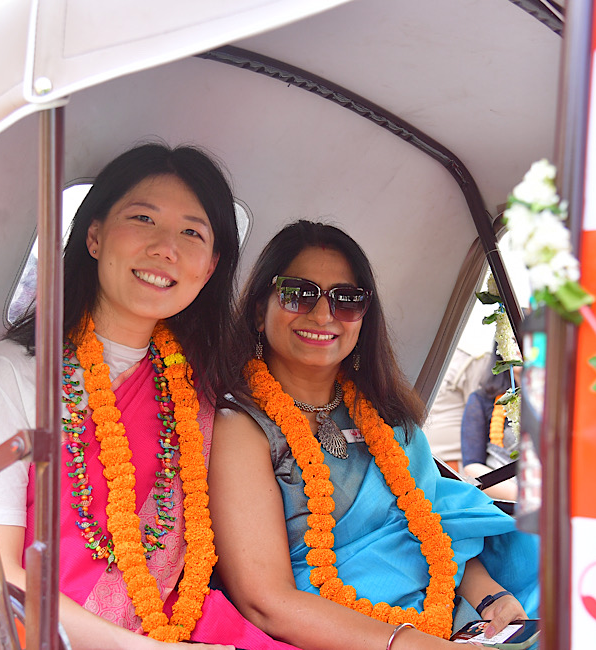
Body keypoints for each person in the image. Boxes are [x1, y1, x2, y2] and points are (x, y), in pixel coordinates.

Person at [0, 144, 293, 650]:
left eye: (192, 232)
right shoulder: (10, 372)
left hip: (175, 626)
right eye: (143, 219)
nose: (166, 248)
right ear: (94, 237)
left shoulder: (204, 395)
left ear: (209, 267)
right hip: (28, 628)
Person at [209, 221, 539, 650]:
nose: (323, 314)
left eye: (347, 300)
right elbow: (266, 602)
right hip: (326, 635)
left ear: (364, 317)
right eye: (299, 293)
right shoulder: (241, 425)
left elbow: (438, 529)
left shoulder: (386, 417)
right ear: (258, 309)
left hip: (446, 621)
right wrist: (410, 645)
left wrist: (490, 597)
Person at [459, 357, 519, 502]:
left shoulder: (561, 399)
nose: (519, 347)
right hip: (506, 500)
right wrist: (523, 496)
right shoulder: (482, 400)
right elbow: (472, 467)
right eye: (513, 340)